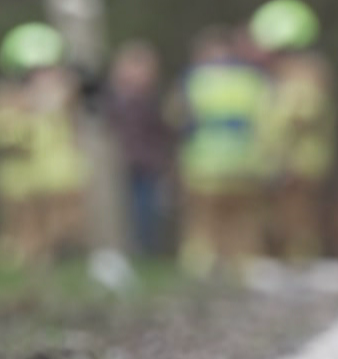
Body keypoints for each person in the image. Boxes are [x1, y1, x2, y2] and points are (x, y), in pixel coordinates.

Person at [0, 23, 88, 269]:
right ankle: (17, 274)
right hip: (21, 185)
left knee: (64, 229)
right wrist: (28, 117)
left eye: (50, 70)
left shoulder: (65, 98)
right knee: (22, 238)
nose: (46, 77)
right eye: (37, 72)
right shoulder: (7, 98)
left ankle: (50, 267)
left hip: (60, 183)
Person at [172, 27, 272, 278]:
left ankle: (201, 268)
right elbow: (269, 121)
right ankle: (244, 267)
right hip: (244, 165)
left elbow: (176, 118)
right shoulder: (252, 80)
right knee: (243, 223)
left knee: (203, 224)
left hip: (205, 166)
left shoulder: (193, 80)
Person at [250, 0, 335, 262]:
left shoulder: (305, 73)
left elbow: (301, 117)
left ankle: (301, 266)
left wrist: (283, 160)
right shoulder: (278, 76)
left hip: (298, 165)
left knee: (298, 224)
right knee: (277, 223)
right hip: (281, 164)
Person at [109, 41, 173, 256]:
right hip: (123, 163)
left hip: (147, 164)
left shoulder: (152, 101)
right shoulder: (116, 100)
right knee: (124, 209)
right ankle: (129, 248)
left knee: (145, 210)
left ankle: (145, 250)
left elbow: (164, 131)